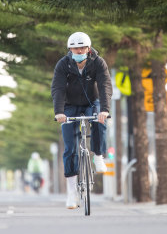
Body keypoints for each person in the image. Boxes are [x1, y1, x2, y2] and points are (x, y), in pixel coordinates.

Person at [51, 32, 112, 209]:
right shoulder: (63, 64)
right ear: (70, 49)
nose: (79, 50)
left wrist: (105, 110)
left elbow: (105, 85)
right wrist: (59, 112)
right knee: (70, 147)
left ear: (88, 48)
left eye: (82, 47)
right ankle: (71, 193)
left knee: (100, 121)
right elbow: (58, 88)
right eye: (75, 48)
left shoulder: (98, 62)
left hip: (92, 102)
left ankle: (99, 156)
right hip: (69, 106)